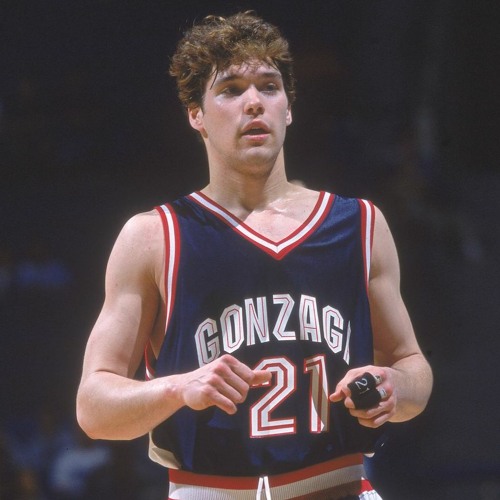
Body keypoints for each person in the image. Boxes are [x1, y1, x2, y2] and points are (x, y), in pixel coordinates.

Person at [76, 11, 433, 499]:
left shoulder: (361, 224)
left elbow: (413, 368)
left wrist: (393, 385)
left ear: (289, 109)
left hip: (341, 486)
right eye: (230, 90)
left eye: (269, 86)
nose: (254, 103)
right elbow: (94, 408)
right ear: (196, 115)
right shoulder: (154, 237)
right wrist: (178, 388)